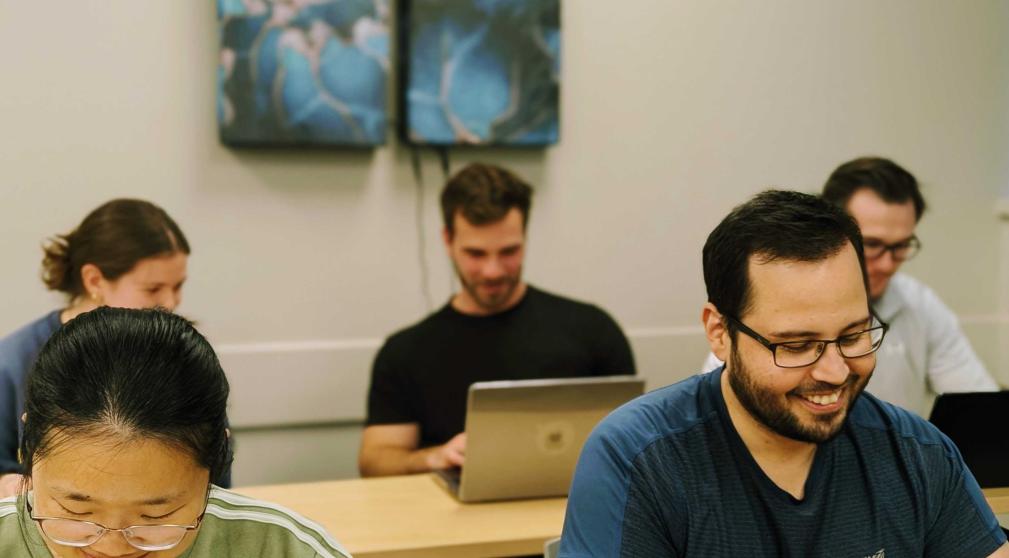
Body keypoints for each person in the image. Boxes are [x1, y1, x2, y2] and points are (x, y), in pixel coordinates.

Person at [560, 190, 1008, 557]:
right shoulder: (641, 459)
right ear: (719, 333)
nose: (834, 372)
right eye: (796, 346)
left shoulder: (916, 454)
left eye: (854, 336)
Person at [0, 307, 349, 558]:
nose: (112, 548)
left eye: (155, 518)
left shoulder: (280, 549)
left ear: (215, 464)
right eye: (75, 511)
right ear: (28, 450)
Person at [359, 163, 635, 477]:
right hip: (446, 521)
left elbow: (632, 445)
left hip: (568, 513)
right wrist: (434, 457)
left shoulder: (593, 331)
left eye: (509, 251)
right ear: (448, 241)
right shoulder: (405, 351)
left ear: (525, 237)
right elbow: (375, 460)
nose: (493, 271)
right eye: (476, 254)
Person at [702, 157, 998, 416]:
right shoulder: (753, 319)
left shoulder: (919, 304)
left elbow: (979, 407)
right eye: (798, 345)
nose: (886, 264)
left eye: (901, 246)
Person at [0, 198, 230, 495]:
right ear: (94, 280)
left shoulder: (183, 359)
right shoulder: (12, 363)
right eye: (153, 289)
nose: (171, 302)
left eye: (178, 286)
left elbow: (216, 474)